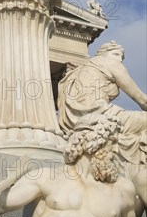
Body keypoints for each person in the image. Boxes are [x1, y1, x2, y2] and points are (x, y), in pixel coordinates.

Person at [0, 113, 137, 217]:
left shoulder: (123, 190)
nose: (116, 150)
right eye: (111, 143)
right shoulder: (49, 176)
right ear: (89, 143)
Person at [58, 41, 147, 179]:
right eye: (116, 54)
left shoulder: (82, 68)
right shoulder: (111, 63)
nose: (119, 59)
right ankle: (137, 174)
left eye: (121, 57)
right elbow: (140, 98)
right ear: (104, 54)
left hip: (74, 119)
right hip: (100, 113)